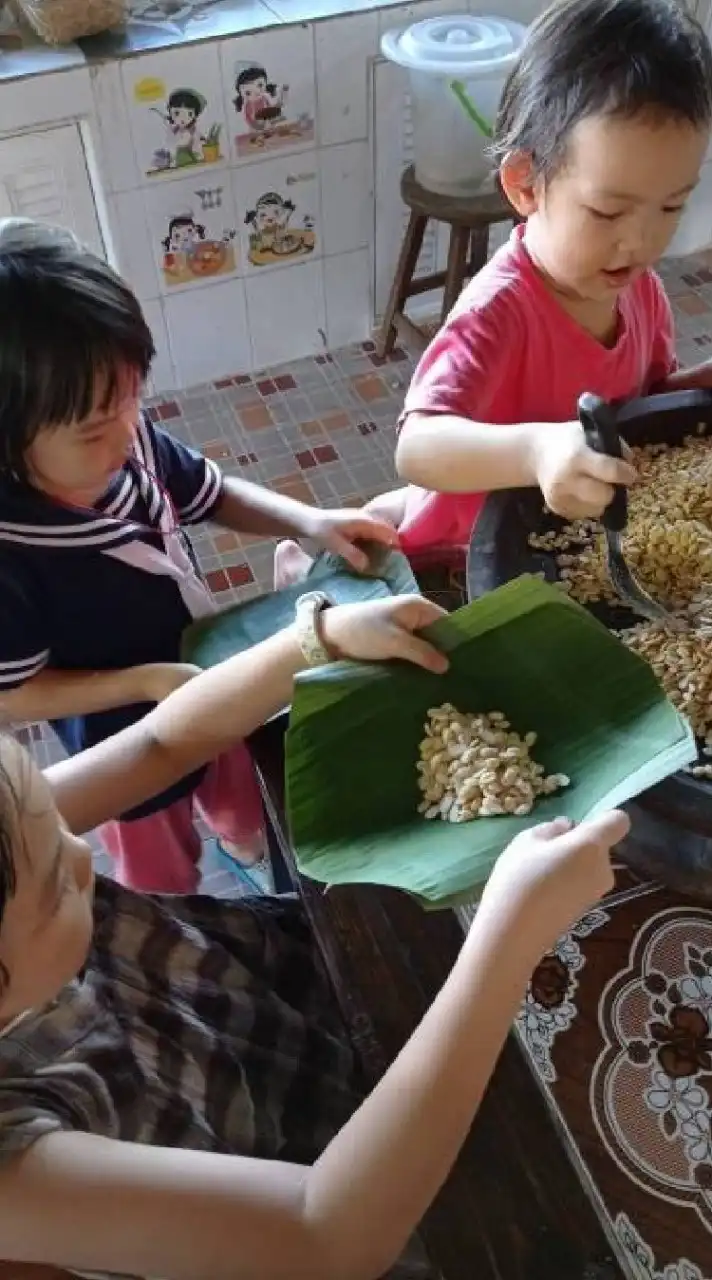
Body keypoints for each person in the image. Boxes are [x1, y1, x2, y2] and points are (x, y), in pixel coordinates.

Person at [0, 593, 628, 1280]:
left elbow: (160, 743)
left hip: (299, 992)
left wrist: (315, 639)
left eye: (63, 831)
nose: (86, 854)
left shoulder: (16, 848)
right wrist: (509, 937)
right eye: (58, 885)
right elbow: (325, 1234)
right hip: (349, 1174)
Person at [0, 218, 396, 895]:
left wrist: (309, 520)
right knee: (163, 872)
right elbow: (16, 693)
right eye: (95, 427)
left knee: (247, 800)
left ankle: (247, 850)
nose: (128, 434)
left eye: (131, 397)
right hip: (124, 746)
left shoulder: (126, 436)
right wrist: (146, 683)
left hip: (209, 674)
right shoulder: (12, 560)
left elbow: (209, 492)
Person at [275, 0, 712, 608]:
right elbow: (419, 447)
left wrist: (698, 384)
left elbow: (641, 406)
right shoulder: (499, 313)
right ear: (525, 185)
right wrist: (538, 450)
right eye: (608, 211)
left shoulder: (640, 291)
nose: (640, 242)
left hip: (565, 537)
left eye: (671, 207)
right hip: (465, 550)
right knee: (393, 616)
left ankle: (368, 523)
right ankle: (314, 574)